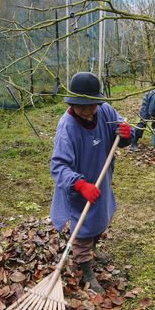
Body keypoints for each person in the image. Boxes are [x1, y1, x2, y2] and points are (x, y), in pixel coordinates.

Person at [50, 72, 133, 294]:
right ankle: (86, 269)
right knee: (82, 229)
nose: (88, 112)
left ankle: (94, 249)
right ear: (73, 103)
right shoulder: (66, 128)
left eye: (91, 106)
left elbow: (123, 135)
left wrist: (127, 134)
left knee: (100, 217)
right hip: (79, 189)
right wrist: (80, 185)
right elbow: (58, 167)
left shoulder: (105, 111)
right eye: (82, 107)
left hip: (101, 179)